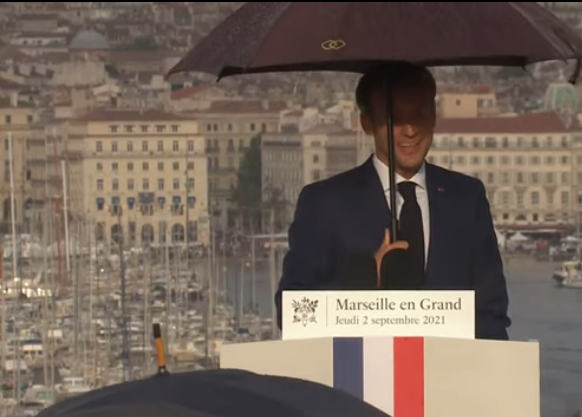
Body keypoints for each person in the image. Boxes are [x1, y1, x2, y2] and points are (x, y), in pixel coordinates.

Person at [275, 62, 511, 340]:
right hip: (357, 375)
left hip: (451, 375)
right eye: (396, 119)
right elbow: (291, 312)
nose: (410, 130)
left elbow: (491, 313)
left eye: (420, 115)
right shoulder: (326, 203)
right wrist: (363, 283)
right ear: (367, 124)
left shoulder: (467, 198)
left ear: (434, 115)